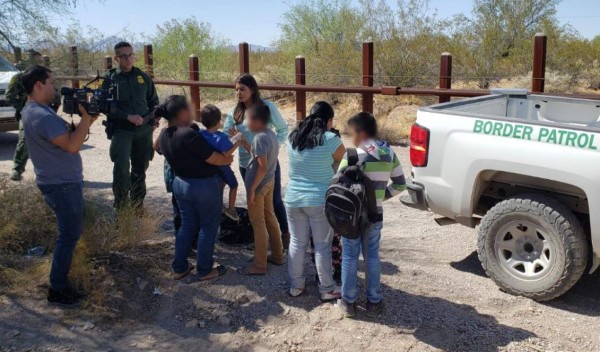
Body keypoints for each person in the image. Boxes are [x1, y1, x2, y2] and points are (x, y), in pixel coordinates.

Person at [20, 65, 98, 305]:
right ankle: (57, 288)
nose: (54, 87)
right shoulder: (42, 116)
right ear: (38, 85)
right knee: (69, 236)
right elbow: (73, 146)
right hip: (61, 185)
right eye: (51, 82)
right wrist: (86, 118)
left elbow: (67, 140)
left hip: (57, 182)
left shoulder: (33, 111)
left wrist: (87, 122)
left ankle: (59, 283)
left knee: (69, 233)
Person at [336, 112, 406, 318]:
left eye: (352, 133)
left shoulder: (352, 155)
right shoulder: (389, 154)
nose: (351, 137)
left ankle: (348, 302)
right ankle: (374, 301)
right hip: (375, 216)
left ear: (362, 132)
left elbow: (338, 184)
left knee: (349, 256)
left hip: (352, 217)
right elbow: (401, 183)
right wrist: (380, 197)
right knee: (372, 256)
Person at [156, 95, 232, 281]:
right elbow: (215, 158)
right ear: (182, 112)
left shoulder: (166, 134)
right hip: (203, 186)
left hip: (180, 184)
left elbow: (156, 147)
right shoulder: (188, 134)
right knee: (208, 226)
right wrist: (227, 159)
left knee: (186, 225)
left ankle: (179, 267)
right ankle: (205, 269)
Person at [285, 101, 346, 301]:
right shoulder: (330, 139)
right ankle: (327, 288)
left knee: (297, 243)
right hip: (319, 199)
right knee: (322, 245)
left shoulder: (292, 137)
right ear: (328, 120)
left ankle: (296, 285)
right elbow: (343, 162)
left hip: (293, 198)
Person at [223, 74, 291, 248]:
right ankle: (261, 240)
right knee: (255, 202)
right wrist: (235, 140)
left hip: (268, 164)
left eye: (242, 89)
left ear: (252, 89)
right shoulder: (234, 113)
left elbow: (283, 130)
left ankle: (285, 237)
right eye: (236, 89)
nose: (239, 93)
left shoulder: (267, 107)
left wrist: (272, 147)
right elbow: (226, 137)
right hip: (247, 165)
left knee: (274, 201)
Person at [102, 41, 159, 209]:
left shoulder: (143, 77)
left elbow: (154, 102)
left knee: (140, 168)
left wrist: (153, 119)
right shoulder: (110, 78)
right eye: (123, 56)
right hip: (121, 130)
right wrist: (127, 116)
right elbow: (103, 106)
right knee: (121, 167)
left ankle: (137, 204)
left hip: (143, 130)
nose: (128, 59)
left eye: (130, 55)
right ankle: (121, 206)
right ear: (116, 58)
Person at [242, 104, 284, 275]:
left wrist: (252, 189)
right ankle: (277, 255)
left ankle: (260, 264)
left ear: (257, 121)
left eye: (247, 119)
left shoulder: (260, 138)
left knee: (258, 223)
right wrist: (245, 143)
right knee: (269, 216)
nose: (246, 123)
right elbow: (259, 156)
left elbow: (262, 167)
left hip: (259, 186)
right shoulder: (270, 134)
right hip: (269, 183)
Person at [7, 49, 59, 181]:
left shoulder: (45, 76)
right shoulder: (20, 77)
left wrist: (54, 110)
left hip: (45, 113)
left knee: (50, 142)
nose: (39, 63)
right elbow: (9, 95)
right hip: (28, 113)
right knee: (24, 141)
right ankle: (17, 170)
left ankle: (49, 172)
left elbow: (56, 93)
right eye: (36, 60)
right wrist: (22, 108)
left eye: (40, 61)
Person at [199, 104, 243, 221]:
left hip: (210, 166)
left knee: (221, 184)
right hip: (223, 167)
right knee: (234, 185)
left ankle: (219, 203)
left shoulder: (202, 134)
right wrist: (237, 143)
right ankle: (231, 209)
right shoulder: (221, 137)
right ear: (218, 122)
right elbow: (226, 153)